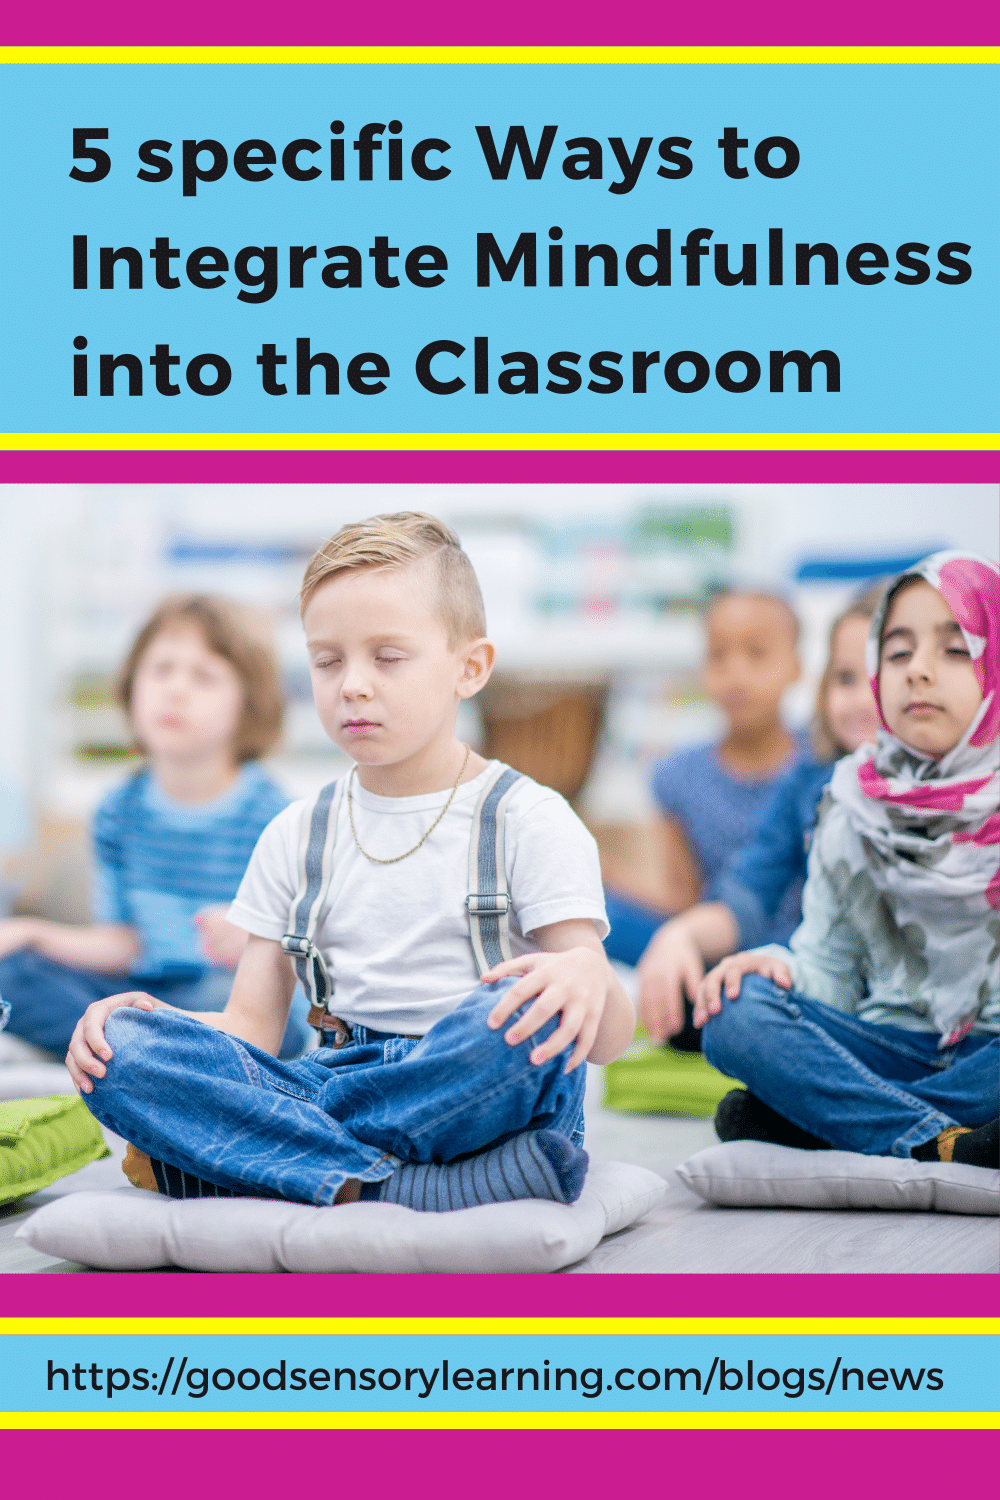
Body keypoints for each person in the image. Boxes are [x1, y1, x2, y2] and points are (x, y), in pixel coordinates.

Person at [66, 513, 636, 1210]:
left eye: (388, 658)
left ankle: (281, 1163)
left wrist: (584, 975)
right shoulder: (294, 833)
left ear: (470, 667)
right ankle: (400, 1183)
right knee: (122, 1051)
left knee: (523, 1019)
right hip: (332, 1077)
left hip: (472, 1082)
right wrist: (149, 1023)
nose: (352, 685)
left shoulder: (529, 819)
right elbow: (252, 1029)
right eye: (328, 660)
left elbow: (606, 1041)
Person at [696, 552, 998, 1168]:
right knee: (733, 1011)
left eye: (953, 649)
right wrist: (777, 967)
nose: (918, 672)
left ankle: (832, 1118)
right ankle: (937, 1141)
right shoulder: (846, 800)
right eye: (897, 652)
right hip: (884, 1041)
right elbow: (830, 973)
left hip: (991, 1055)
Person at [0, 594, 303, 1059]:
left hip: (224, 992)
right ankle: (137, 1046)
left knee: (274, 1022)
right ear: (132, 687)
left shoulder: (276, 817)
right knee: (12, 974)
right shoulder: (118, 812)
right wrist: (34, 933)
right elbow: (125, 941)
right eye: (161, 670)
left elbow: (307, 945)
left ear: (247, 706)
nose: (175, 690)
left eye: (203, 677)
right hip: (136, 991)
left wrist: (255, 939)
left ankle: (124, 1045)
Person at [637, 587, 883, 1047]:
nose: (862, 701)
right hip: (811, 977)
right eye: (846, 679)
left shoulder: (961, 790)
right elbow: (746, 897)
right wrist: (680, 935)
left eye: (883, 677)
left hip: (935, 1012)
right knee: (731, 1006)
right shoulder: (811, 779)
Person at [603, 589, 808, 973]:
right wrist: (610, 875)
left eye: (757, 654)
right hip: (709, 946)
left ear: (796, 666)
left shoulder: (821, 765)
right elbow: (685, 899)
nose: (736, 673)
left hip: (804, 953)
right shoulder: (677, 777)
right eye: (718, 655)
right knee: (597, 916)